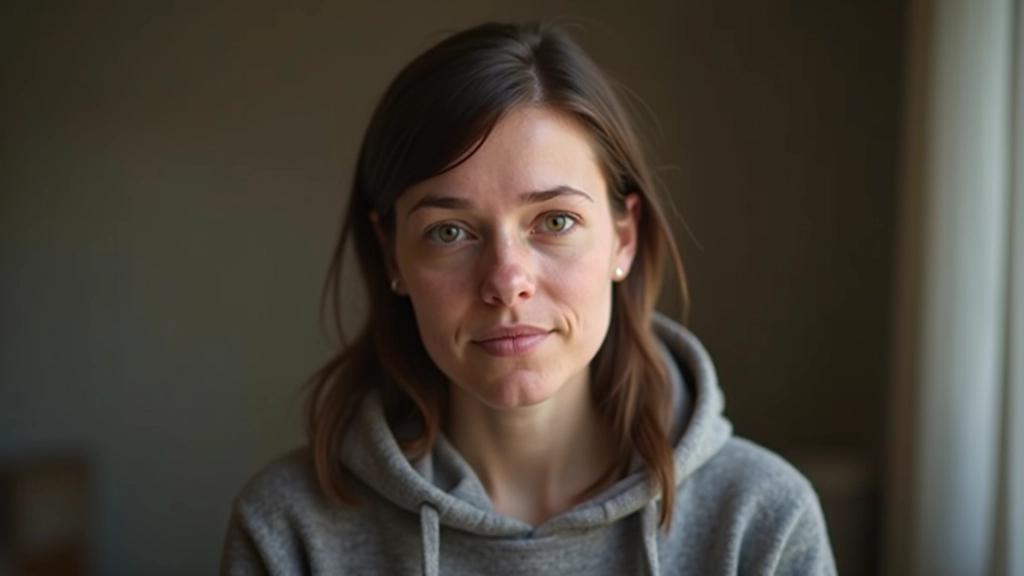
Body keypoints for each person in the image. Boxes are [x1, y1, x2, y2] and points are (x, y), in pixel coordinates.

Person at [220, 21, 836, 576]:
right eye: (450, 232)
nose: (506, 280)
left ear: (623, 238)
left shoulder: (761, 521)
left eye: (555, 222)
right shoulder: (289, 530)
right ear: (392, 258)